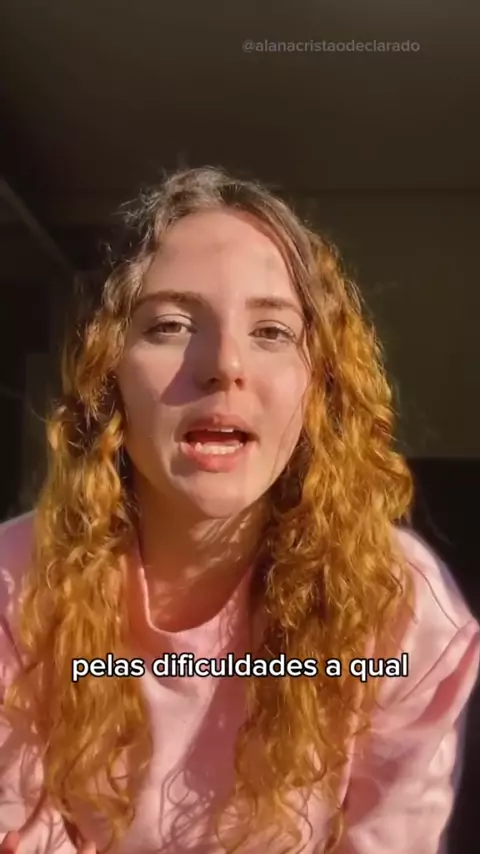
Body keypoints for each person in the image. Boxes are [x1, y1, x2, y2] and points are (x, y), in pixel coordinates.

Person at [0, 166, 478, 854]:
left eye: (272, 331)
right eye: (170, 324)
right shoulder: (15, 588)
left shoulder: (402, 609)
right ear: (108, 373)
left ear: (320, 385)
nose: (225, 364)